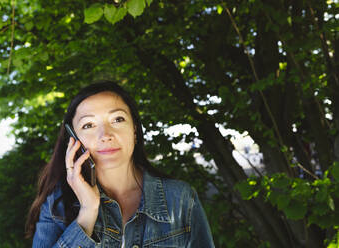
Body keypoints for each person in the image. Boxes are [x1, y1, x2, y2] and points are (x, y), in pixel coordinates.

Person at [26, 81, 215, 247]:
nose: (105, 135)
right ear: (73, 139)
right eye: (88, 125)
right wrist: (87, 212)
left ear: (134, 129)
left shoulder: (181, 199)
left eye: (117, 119)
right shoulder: (56, 204)